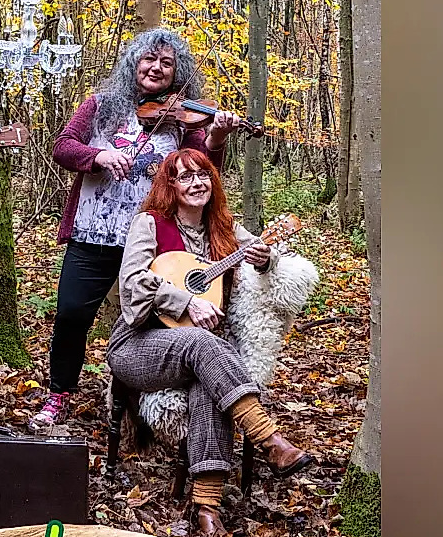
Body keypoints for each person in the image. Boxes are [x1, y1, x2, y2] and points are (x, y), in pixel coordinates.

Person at [29, 28, 242, 431]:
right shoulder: (101, 104)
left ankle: (135, 402)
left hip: (152, 240)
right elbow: (63, 146)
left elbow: (203, 164)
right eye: (149, 59)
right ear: (134, 62)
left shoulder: (183, 119)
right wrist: (100, 155)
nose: (156, 68)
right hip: (94, 232)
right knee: (73, 313)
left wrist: (216, 134)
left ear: (177, 73)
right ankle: (58, 395)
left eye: (167, 63)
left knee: (151, 318)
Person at [107, 148, 315, 535]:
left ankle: (207, 510)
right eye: (185, 176)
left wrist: (265, 259)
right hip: (138, 343)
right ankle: (270, 439)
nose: (196, 183)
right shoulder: (150, 224)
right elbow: (133, 281)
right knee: (202, 342)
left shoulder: (225, 229)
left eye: (202, 174)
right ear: (170, 185)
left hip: (195, 351)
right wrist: (185, 301)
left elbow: (266, 255)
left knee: (208, 378)